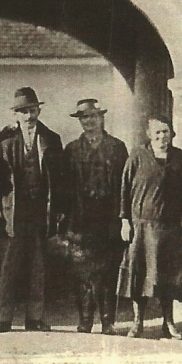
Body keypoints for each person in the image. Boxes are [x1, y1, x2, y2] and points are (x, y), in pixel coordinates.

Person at [0, 87, 65, 333]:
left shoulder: (51, 139)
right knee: (9, 267)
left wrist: (60, 208)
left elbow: (61, 179)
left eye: (32, 110)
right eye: (23, 112)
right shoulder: (4, 140)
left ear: (39, 110)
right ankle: (3, 318)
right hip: (13, 213)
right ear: (16, 115)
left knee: (38, 266)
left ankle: (34, 317)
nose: (28, 116)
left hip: (40, 211)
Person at [118, 115, 182, 340]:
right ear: (149, 134)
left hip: (170, 228)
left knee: (168, 278)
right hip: (142, 227)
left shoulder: (179, 158)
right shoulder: (138, 156)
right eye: (157, 133)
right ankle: (137, 322)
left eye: (166, 132)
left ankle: (168, 322)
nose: (162, 137)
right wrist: (124, 220)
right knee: (140, 277)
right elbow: (124, 188)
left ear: (172, 134)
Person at [61, 98, 128, 334]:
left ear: (102, 118)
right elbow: (63, 189)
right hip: (80, 220)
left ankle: (108, 321)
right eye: (83, 118)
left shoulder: (117, 148)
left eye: (92, 116)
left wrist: (124, 219)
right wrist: (63, 222)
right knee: (82, 272)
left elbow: (124, 185)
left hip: (109, 220)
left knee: (109, 271)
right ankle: (85, 320)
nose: (88, 121)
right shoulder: (71, 150)